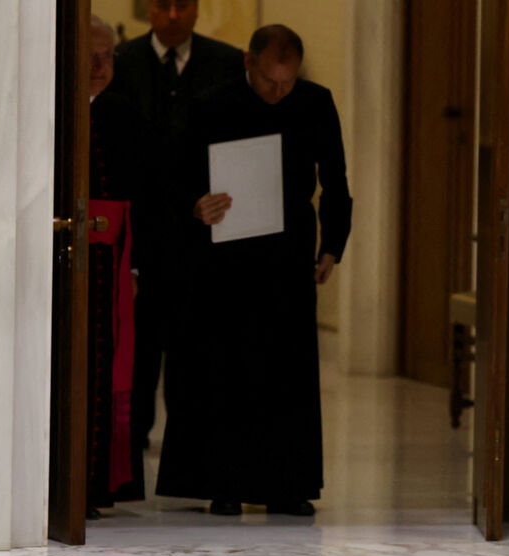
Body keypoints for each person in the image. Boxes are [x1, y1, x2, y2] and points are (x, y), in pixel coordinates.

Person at [156, 24, 353, 517]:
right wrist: (195, 207)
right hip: (224, 258)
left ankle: (287, 484)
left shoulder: (314, 102)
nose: (278, 92)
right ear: (249, 63)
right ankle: (224, 482)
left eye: (287, 83)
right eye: (270, 82)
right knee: (226, 366)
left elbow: (335, 180)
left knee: (287, 370)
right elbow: (175, 175)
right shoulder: (211, 104)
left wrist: (333, 246)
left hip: (288, 257)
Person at [107, 0, 244, 455]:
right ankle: (133, 430)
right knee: (141, 337)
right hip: (142, 220)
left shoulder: (225, 61)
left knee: (194, 338)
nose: (171, 15)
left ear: (197, 10)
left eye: (181, 5)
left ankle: (190, 436)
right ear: (148, 10)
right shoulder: (121, 61)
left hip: (203, 224)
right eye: (162, 6)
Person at [86, 15, 144, 516]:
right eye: (90, 55)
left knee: (110, 366)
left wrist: (137, 264)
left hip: (115, 264)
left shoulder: (123, 112)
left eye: (108, 57)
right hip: (69, 264)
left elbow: (141, 193)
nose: (100, 66)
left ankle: (102, 484)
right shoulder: (52, 107)